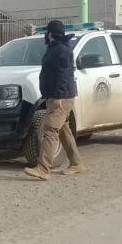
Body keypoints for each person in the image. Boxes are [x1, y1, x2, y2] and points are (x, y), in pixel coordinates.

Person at [23, 19, 85, 181]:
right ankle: (76, 163)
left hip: (60, 98)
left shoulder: (60, 51)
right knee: (63, 130)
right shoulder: (57, 49)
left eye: (46, 33)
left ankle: (43, 169)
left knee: (50, 130)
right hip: (57, 96)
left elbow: (64, 75)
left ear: (49, 34)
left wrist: (58, 96)